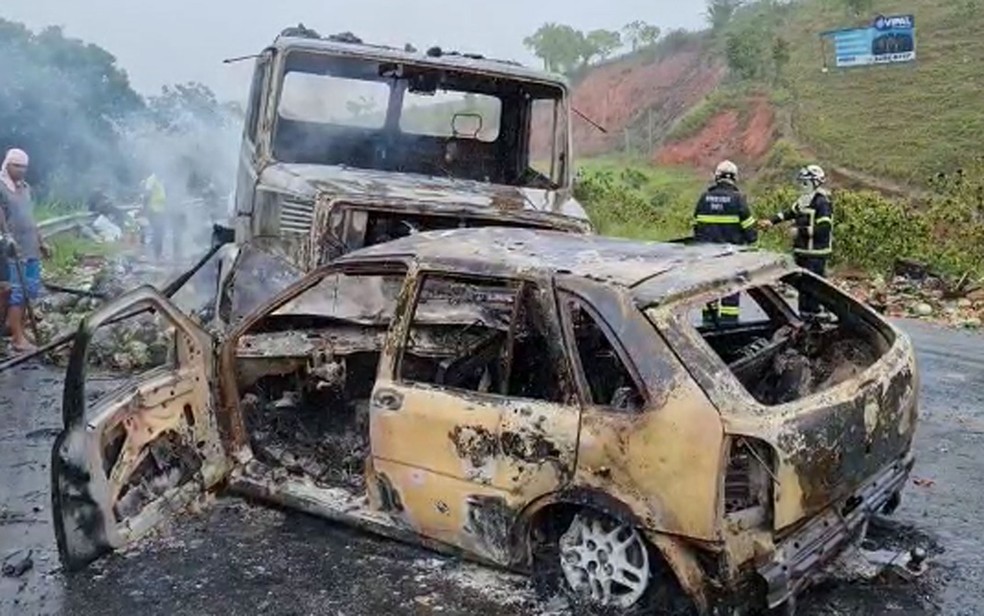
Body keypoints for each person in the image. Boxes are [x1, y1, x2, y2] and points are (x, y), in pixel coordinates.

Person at [759, 164, 833, 317]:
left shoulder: (822, 203)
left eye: (805, 183)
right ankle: (804, 316)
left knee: (812, 288)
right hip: (803, 252)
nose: (802, 186)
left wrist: (799, 231)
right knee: (803, 287)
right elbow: (789, 213)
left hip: (815, 254)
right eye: (801, 182)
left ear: (815, 183)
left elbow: (824, 229)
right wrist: (771, 221)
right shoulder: (803, 200)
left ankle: (814, 317)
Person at [693, 160, 758, 324]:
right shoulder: (738, 199)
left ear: (716, 177)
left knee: (708, 291)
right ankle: (729, 327)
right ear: (734, 178)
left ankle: (709, 325)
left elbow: (695, 227)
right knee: (730, 292)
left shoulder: (704, 198)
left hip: (706, 257)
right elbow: (751, 234)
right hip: (730, 258)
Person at [0, 148, 50, 352]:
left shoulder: (25, 188)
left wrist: (41, 241)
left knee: (30, 290)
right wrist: (7, 236)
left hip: (30, 247)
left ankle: (17, 329)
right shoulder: (2, 187)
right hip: (12, 248)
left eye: (24, 167)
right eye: (17, 166)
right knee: (16, 292)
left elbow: (30, 217)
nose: (21, 170)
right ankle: (17, 338)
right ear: (7, 165)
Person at [142, 173, 168, 259]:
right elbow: (147, 195)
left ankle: (158, 254)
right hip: (153, 210)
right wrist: (145, 210)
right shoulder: (151, 180)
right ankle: (156, 255)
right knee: (157, 233)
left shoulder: (161, 180)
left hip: (161, 211)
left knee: (160, 232)